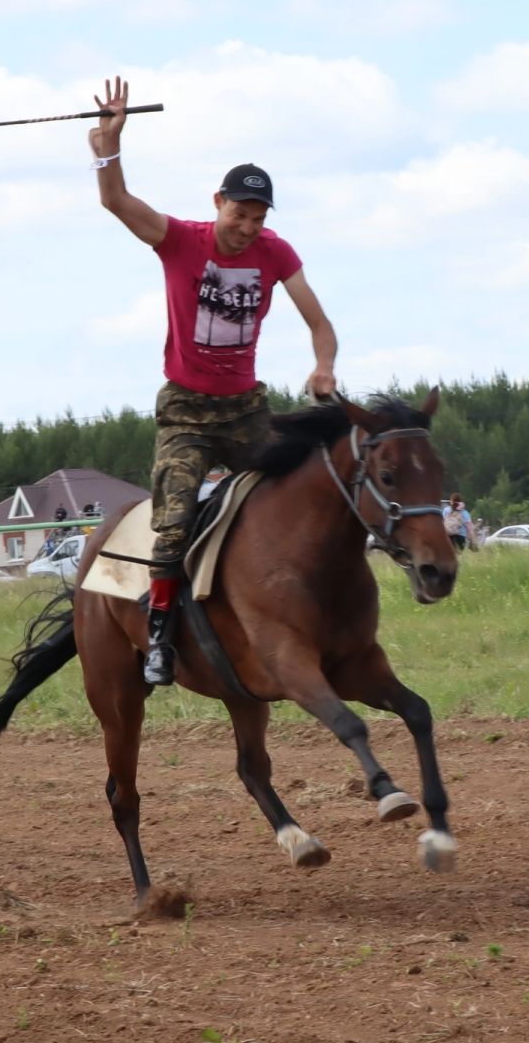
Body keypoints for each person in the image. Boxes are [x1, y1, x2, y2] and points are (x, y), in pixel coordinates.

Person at [88, 75, 340, 685]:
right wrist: (109, 149)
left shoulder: (277, 253)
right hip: (186, 415)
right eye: (239, 212)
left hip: (247, 413)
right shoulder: (180, 241)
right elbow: (117, 202)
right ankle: (158, 636)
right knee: (172, 519)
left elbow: (320, 322)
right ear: (217, 203)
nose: (247, 226)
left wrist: (323, 364)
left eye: (257, 217)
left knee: (312, 485)